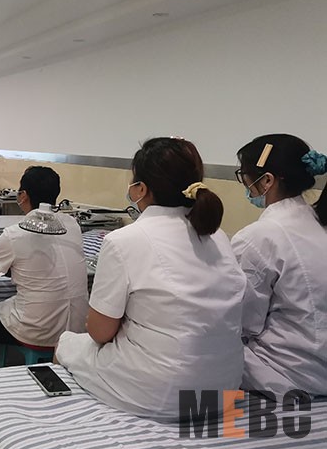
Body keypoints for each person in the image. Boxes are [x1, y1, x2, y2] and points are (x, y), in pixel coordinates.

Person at [56, 137, 246, 421]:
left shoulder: (124, 240)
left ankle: (70, 425)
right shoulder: (218, 237)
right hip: (224, 388)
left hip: (160, 391)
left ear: (141, 188)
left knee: (66, 343)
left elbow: (99, 332)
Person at [0, 166, 88, 370]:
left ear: (23, 195)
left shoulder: (14, 234)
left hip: (38, 329)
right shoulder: (71, 224)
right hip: (77, 326)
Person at [231, 134, 327, 398]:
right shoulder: (317, 222)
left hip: (289, 372)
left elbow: (241, 322)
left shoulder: (259, 237)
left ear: (267, 181)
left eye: (244, 176)